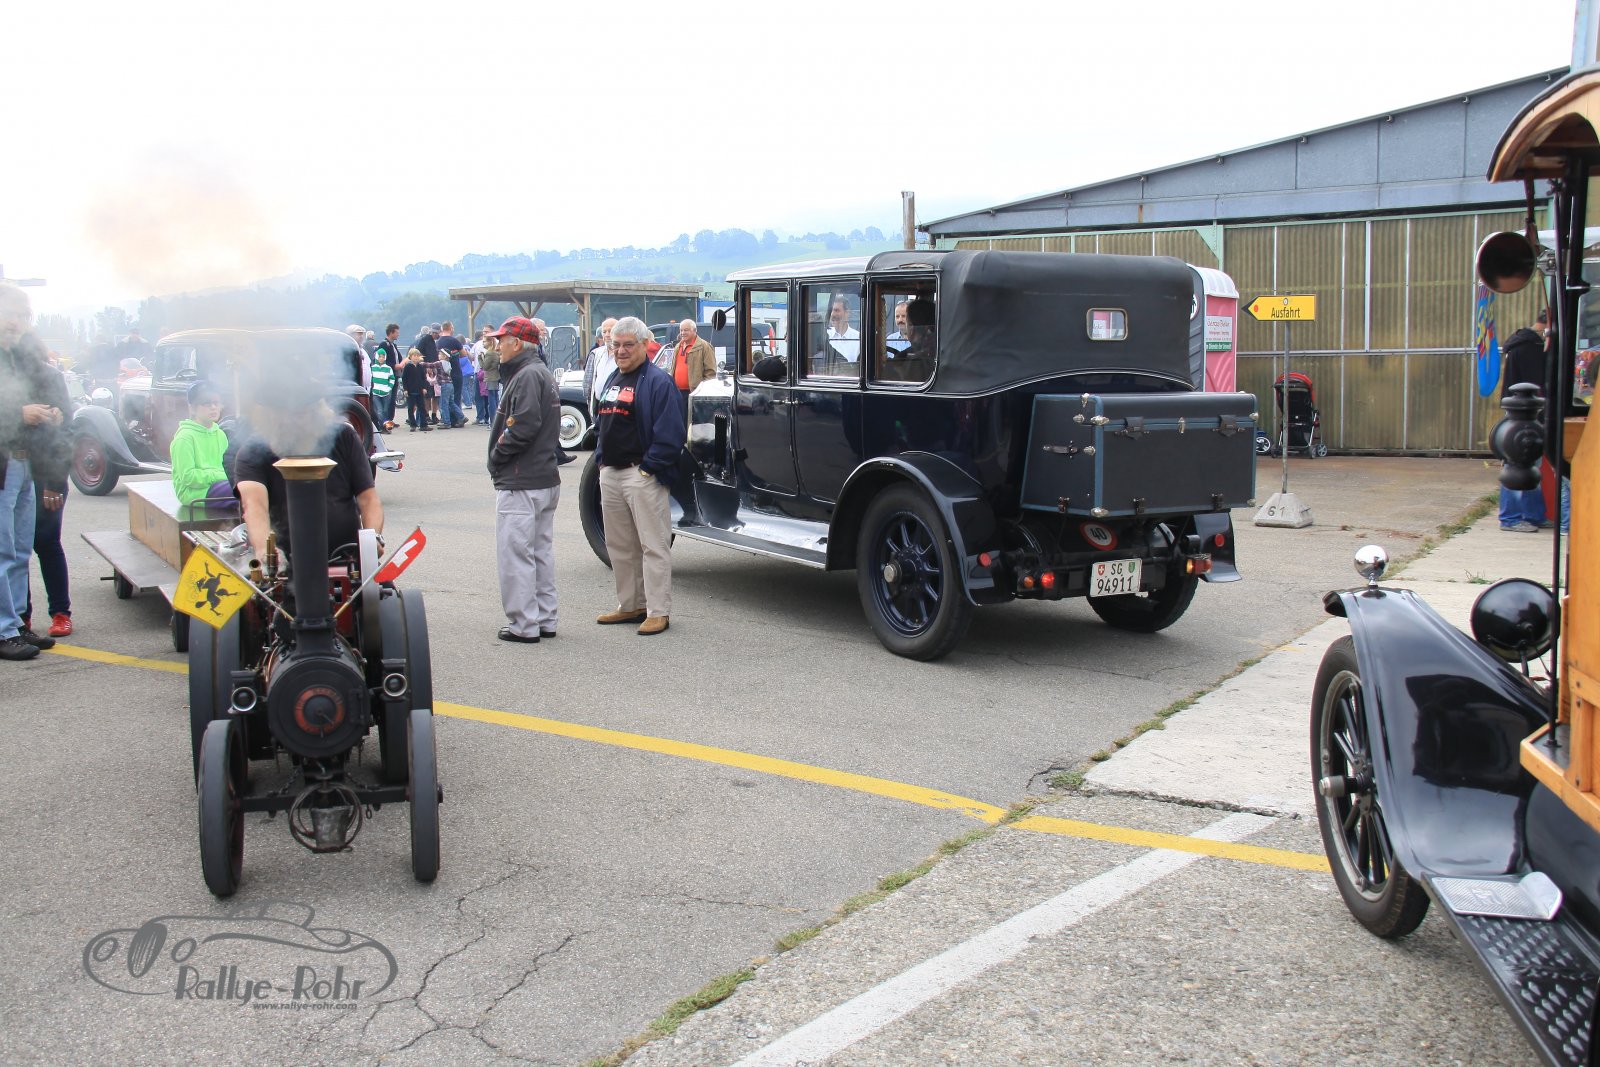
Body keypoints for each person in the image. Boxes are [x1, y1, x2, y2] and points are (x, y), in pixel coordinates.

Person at [593, 316, 686, 636]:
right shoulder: (613, 378)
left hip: (641, 475)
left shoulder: (659, 382)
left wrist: (648, 468)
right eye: (616, 345)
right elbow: (601, 423)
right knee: (620, 546)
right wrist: (601, 460)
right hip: (611, 473)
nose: (621, 351)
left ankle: (658, 611)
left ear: (645, 345)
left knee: (653, 545)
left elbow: (672, 434)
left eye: (628, 345)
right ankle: (631, 605)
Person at [0, 284, 69, 661]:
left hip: (24, 462)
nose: (16, 322)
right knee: (3, 550)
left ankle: (15, 624)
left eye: (22, 315)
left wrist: (49, 414)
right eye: (10, 314)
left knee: (18, 551)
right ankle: (4, 629)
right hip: (4, 465)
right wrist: (19, 414)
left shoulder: (17, 358)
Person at [485, 317, 562, 644]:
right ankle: (544, 619)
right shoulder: (538, 371)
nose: (497, 346)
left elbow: (523, 426)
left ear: (516, 343)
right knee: (539, 552)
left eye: (502, 340)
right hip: (541, 476)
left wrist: (496, 457)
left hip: (522, 480)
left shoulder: (527, 374)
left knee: (517, 556)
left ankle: (524, 624)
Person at [234, 401, 383, 563]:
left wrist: (372, 538)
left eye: (301, 413)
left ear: (318, 412)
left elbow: (368, 499)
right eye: (283, 413)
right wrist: (265, 550)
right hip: (284, 562)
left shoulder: (344, 437)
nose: (291, 421)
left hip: (347, 557)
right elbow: (255, 506)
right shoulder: (253, 452)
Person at [1499, 309, 1551, 533]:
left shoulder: (1521, 344)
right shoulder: (1532, 348)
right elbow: (1539, 383)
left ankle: (1532, 514)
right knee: (1518, 465)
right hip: (1526, 415)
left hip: (1518, 414)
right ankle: (1511, 518)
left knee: (1528, 465)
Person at [169, 381, 234, 507]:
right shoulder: (185, 438)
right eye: (206, 403)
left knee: (253, 486)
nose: (213, 407)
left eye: (216, 403)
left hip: (219, 484)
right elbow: (188, 477)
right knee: (242, 491)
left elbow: (228, 466)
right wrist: (220, 475)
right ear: (192, 409)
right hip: (194, 493)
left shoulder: (220, 434)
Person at [666, 319, 716, 413]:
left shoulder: (704, 347)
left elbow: (711, 373)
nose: (682, 333)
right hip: (677, 393)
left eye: (686, 330)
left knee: (691, 421)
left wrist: (701, 393)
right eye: (681, 330)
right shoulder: (678, 346)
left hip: (694, 394)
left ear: (694, 330)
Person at [373, 323, 403, 430]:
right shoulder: (384, 345)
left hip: (395, 375)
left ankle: (390, 420)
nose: (398, 334)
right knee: (386, 400)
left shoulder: (393, 345)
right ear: (391, 332)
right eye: (397, 332)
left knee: (392, 399)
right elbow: (381, 360)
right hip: (387, 376)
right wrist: (394, 366)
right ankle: (384, 421)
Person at [586, 317, 617, 415]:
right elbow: (588, 381)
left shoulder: (624, 354)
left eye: (610, 331)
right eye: (604, 332)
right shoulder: (596, 354)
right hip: (598, 405)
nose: (607, 334)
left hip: (617, 405)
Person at [401, 348, 431, 432]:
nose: (416, 357)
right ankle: (413, 424)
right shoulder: (407, 367)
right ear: (410, 357)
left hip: (420, 391)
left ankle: (423, 424)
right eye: (414, 356)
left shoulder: (420, 367)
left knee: (422, 408)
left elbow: (424, 378)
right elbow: (404, 379)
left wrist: (424, 388)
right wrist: (405, 389)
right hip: (410, 391)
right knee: (411, 409)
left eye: (418, 356)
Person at [826, 297, 860, 363]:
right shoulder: (826, 335)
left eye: (836, 310)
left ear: (847, 313)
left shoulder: (858, 338)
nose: (832, 314)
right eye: (831, 311)